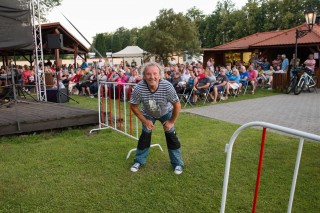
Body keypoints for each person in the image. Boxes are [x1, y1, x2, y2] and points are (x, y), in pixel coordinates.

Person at [129, 62, 184, 175]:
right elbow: (133, 106)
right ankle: (139, 161)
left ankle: (177, 163)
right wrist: (145, 121)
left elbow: (177, 105)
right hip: (148, 113)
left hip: (165, 112)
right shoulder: (139, 88)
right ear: (144, 76)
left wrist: (171, 121)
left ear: (160, 75)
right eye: (148, 74)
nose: (152, 77)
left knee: (171, 136)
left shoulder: (167, 86)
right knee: (145, 136)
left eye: (155, 74)